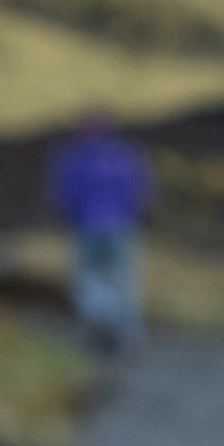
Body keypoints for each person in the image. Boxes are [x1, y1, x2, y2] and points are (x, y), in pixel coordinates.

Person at [49, 112, 150, 355]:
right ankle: (123, 333)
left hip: (87, 227)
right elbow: (141, 191)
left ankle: (99, 321)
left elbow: (63, 194)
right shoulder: (124, 156)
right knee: (122, 280)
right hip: (120, 227)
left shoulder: (75, 158)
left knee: (88, 278)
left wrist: (71, 217)